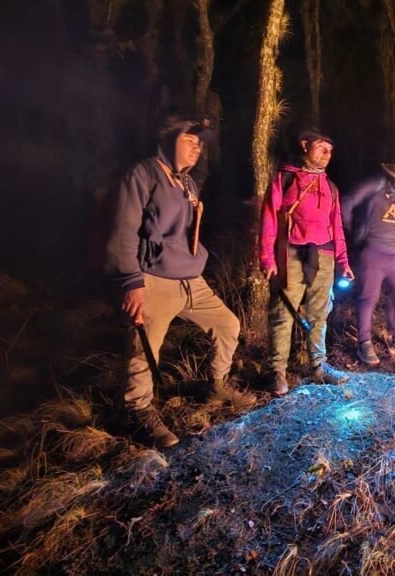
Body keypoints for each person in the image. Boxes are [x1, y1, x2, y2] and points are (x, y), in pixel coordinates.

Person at [106, 113, 255, 449]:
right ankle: (136, 410)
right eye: (189, 140)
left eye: (199, 144)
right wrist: (132, 282)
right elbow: (123, 231)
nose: (196, 148)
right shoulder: (143, 174)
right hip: (154, 278)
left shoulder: (186, 182)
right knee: (144, 351)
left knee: (228, 326)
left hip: (190, 278)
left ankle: (216, 384)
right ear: (167, 139)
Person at [259, 128, 354, 396]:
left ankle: (318, 366)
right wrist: (267, 257)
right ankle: (277, 370)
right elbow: (269, 217)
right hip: (290, 253)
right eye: (321, 147)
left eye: (330, 150)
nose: (327, 154)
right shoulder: (286, 178)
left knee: (319, 313)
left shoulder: (331, 187)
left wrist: (343, 261)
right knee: (283, 312)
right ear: (304, 145)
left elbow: (336, 226)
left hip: (323, 255)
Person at [341, 155, 395, 367]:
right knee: (369, 297)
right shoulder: (376, 186)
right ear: (393, 175)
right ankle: (364, 343)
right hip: (373, 251)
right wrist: (352, 231)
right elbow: (346, 203)